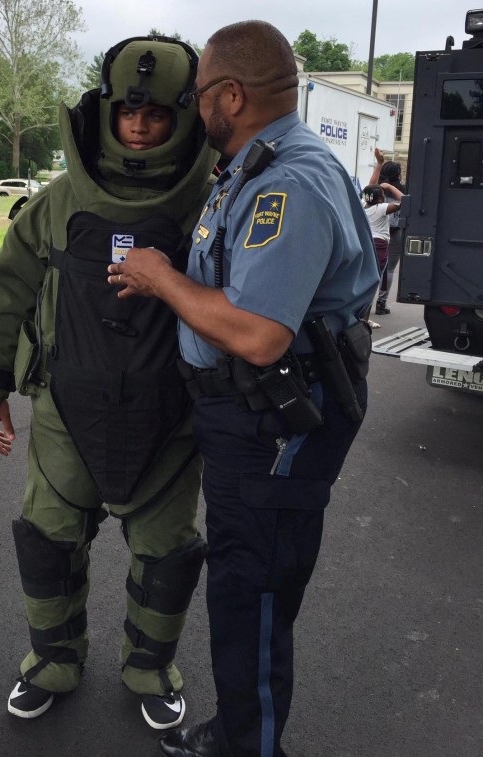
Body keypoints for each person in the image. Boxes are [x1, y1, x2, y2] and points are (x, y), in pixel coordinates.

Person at [107, 21, 379, 757]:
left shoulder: (286, 181)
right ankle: (238, 730)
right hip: (251, 418)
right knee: (243, 585)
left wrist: (162, 279)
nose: (194, 111)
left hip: (273, 427)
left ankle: (248, 745)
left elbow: (260, 333)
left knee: (250, 596)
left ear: (232, 94)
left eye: (199, 97)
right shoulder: (262, 164)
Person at [0, 36, 218, 731]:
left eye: (158, 114)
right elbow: (6, 288)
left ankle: (151, 667)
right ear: (107, 110)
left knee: (166, 557)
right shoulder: (59, 201)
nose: (139, 125)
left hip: (171, 419)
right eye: (129, 111)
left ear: (184, 117)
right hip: (64, 414)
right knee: (47, 542)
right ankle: (52, 660)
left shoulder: (215, 198)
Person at [361, 180, 403, 328]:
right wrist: (390, 186)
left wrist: (379, 165)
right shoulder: (381, 208)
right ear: (379, 199)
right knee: (371, 285)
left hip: (364, 245)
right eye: (383, 195)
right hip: (378, 247)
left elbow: (370, 186)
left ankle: (356, 318)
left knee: (360, 283)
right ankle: (364, 322)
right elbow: (404, 200)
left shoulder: (362, 206)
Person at [371, 148, 407, 315]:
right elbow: (406, 203)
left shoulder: (378, 191)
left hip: (374, 234)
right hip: (395, 232)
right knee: (390, 269)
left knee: (371, 268)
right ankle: (382, 302)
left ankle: (364, 303)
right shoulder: (402, 190)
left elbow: (370, 187)